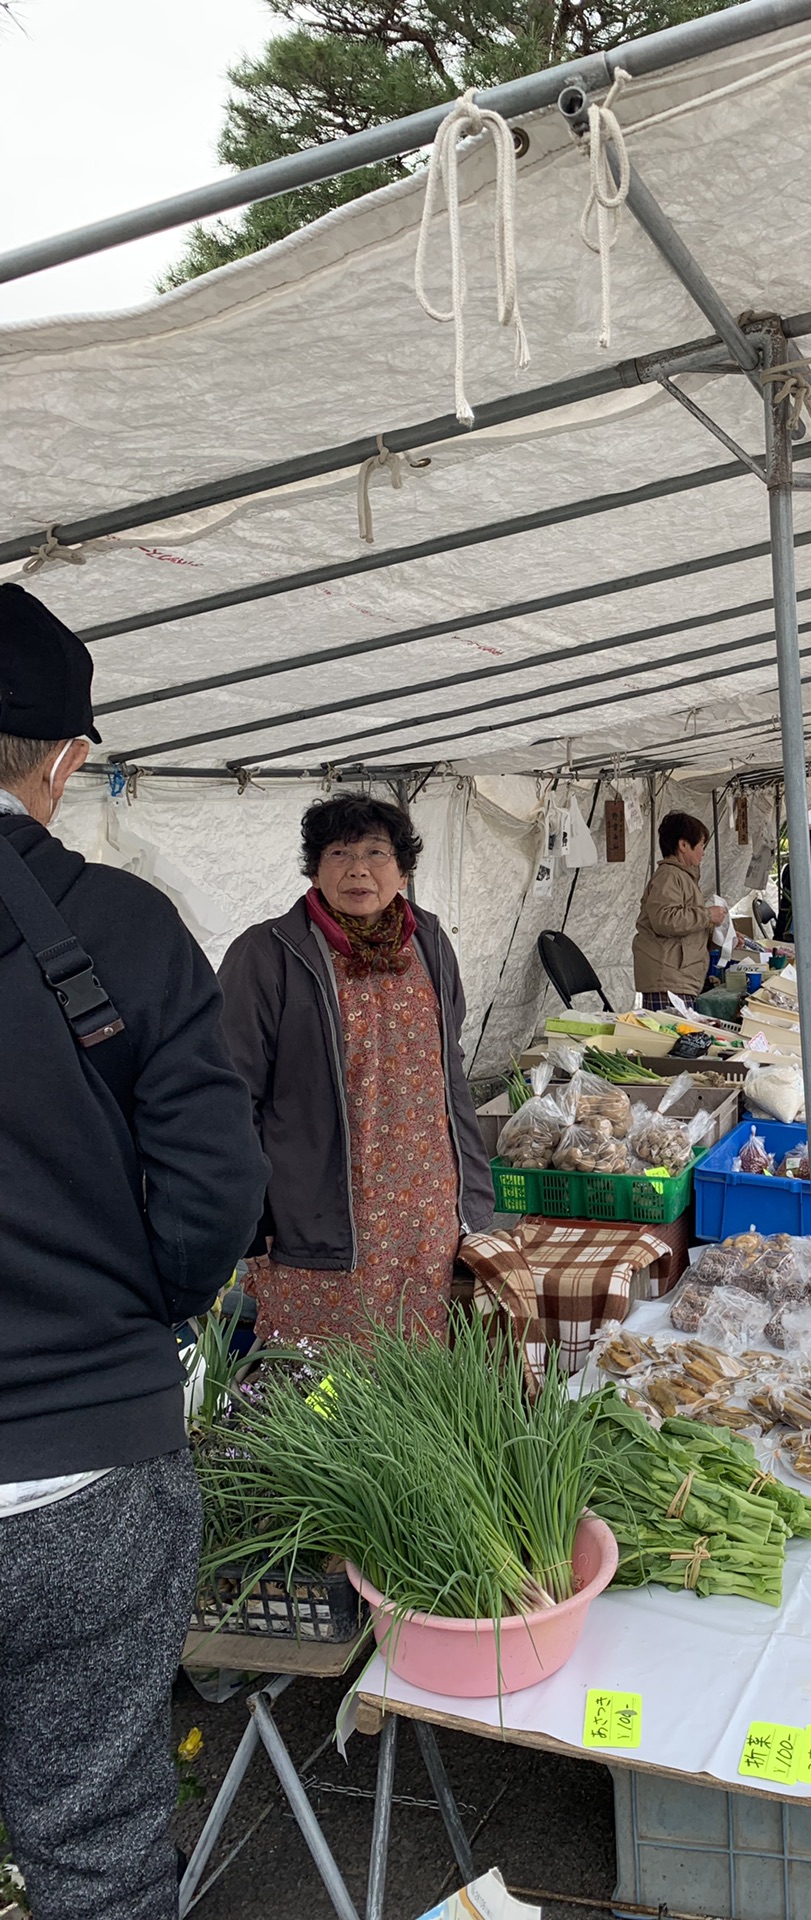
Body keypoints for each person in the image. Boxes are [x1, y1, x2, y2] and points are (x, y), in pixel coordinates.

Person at [0, 584, 268, 1920]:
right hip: (85, 1476)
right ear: (64, 758)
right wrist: (148, 1315)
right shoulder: (122, 929)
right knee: (94, 1849)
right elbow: (217, 1190)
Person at [220, 793, 493, 1345]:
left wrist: (474, 1197)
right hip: (317, 1217)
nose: (358, 869)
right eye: (339, 853)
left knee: (414, 1369)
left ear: (403, 868)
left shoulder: (430, 942)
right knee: (318, 1383)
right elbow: (230, 1095)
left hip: (425, 1212)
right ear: (315, 867)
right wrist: (252, 1220)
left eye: (376, 852)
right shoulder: (270, 954)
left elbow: (452, 1073)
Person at [632, 809, 727, 1009]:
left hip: (678, 976)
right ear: (683, 845)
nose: (703, 851)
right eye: (701, 845)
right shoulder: (668, 875)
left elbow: (685, 923)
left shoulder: (682, 876)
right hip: (668, 977)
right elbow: (666, 920)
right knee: (673, 1037)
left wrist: (718, 933)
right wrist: (707, 914)